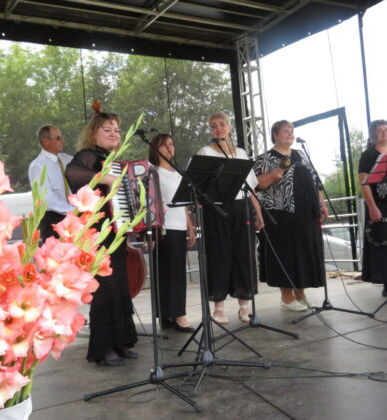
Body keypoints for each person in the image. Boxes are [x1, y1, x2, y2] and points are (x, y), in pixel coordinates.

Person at [65, 109, 137, 367]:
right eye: (107, 129)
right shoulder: (88, 155)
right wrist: (107, 178)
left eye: (116, 130)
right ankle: (103, 348)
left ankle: (120, 341)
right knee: (105, 287)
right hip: (96, 231)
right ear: (93, 134)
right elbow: (73, 173)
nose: (114, 133)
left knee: (120, 286)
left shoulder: (112, 159)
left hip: (113, 231)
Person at [253, 120, 328, 311]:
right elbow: (256, 185)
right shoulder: (264, 159)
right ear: (275, 135)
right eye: (286, 131)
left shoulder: (301, 154)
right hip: (281, 214)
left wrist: (321, 203)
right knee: (285, 255)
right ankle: (286, 298)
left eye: (291, 131)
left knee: (302, 254)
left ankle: (301, 295)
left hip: (306, 213)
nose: (290, 134)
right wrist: (272, 175)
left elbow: (315, 181)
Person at [196, 111, 264, 324]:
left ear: (229, 127)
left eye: (222, 124)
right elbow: (200, 186)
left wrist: (258, 212)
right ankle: (219, 308)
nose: (218, 128)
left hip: (242, 208)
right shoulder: (206, 152)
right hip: (217, 209)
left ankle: (244, 307)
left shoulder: (241, 153)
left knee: (244, 255)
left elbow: (250, 188)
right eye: (213, 125)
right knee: (220, 255)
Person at [148, 134, 196, 333]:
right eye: (165, 145)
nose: (170, 148)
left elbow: (183, 203)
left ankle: (172, 313)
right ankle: (175, 314)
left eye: (171, 144)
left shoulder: (178, 172)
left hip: (180, 225)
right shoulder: (154, 172)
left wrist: (190, 226)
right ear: (156, 148)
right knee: (168, 272)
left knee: (177, 271)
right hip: (165, 227)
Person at [28, 125, 74, 242]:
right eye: (58, 138)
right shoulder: (38, 166)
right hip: (53, 219)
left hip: (72, 218)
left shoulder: (67, 159)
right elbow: (46, 199)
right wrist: (73, 210)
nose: (62, 141)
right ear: (46, 142)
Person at [358, 119, 387, 297]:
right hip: (379, 204)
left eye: (386, 129)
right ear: (373, 134)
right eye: (380, 130)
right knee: (383, 245)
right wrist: (372, 207)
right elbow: (364, 183)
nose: (384, 133)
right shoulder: (368, 155)